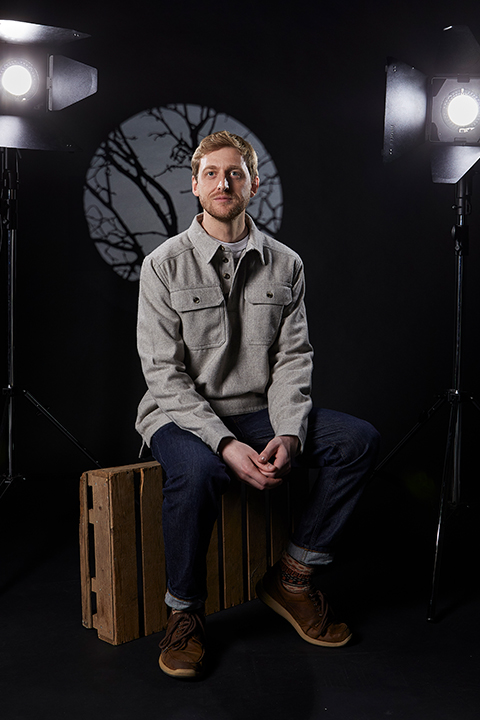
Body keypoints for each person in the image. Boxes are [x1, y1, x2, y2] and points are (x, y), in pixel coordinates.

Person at [136, 130, 380, 679]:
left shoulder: (286, 263)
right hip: (181, 415)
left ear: (254, 183)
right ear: (195, 186)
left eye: (236, 173)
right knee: (197, 473)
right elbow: (163, 374)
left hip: (259, 410)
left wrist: (289, 433)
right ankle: (184, 614)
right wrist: (224, 444)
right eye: (213, 174)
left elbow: (294, 359)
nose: (225, 182)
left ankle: (292, 577)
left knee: (358, 440)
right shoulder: (163, 266)